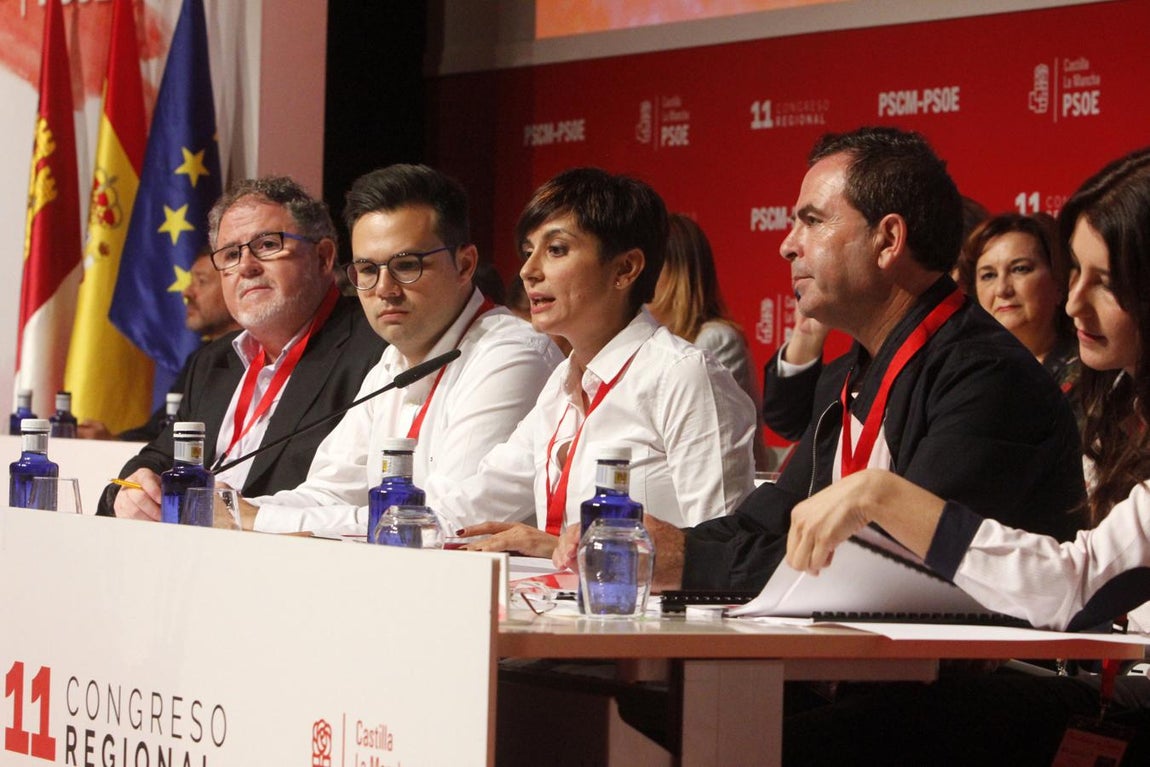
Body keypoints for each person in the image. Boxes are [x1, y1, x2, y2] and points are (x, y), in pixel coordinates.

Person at [557, 127, 1085, 590]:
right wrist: (654, 543)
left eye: (812, 221)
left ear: (889, 240)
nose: (788, 246)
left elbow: (891, 562)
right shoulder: (843, 377)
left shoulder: (985, 377)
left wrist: (688, 559)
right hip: (875, 670)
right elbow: (765, 522)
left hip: (981, 689)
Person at [782, 146, 1150, 765]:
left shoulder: (985, 373)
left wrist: (886, 497)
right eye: (1075, 274)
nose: (1072, 303)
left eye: (1104, 282)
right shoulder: (1117, 401)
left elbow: (1080, 587)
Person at [234, 164, 563, 533]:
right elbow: (330, 491)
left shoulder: (512, 355)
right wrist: (228, 507)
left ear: (465, 265)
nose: (385, 289)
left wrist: (260, 519)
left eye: (406, 266)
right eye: (368, 271)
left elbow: (444, 518)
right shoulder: (391, 362)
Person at [447, 167, 757, 557]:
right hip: (559, 606)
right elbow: (482, 497)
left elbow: (724, 551)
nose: (528, 270)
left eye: (556, 250)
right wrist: (393, 525)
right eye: (528, 252)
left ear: (625, 269)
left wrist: (563, 547)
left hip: (654, 614)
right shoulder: (563, 381)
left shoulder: (682, 375)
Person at [98, 176, 386, 518]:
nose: (246, 267)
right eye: (231, 254)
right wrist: (130, 490)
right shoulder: (212, 362)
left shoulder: (375, 348)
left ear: (323, 258)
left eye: (267, 245)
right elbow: (158, 458)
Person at [762, 195, 990, 442]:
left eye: (814, 221)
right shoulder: (863, 354)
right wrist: (806, 334)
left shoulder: (973, 364)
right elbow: (789, 419)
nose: (787, 247)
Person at [648, 213, 773, 471]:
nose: (636, 277)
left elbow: (705, 445)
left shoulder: (715, 340)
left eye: (650, 266)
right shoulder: (646, 341)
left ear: (679, 272)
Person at [79, 251, 241, 442]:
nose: (186, 292)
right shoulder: (202, 358)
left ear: (233, 288)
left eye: (201, 281)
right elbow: (159, 433)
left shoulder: (250, 358)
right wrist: (111, 440)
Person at [957, 212, 1080, 395]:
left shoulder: (1090, 374)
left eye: (1019, 269)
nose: (1002, 290)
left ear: (1059, 283)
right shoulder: (966, 374)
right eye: (988, 275)